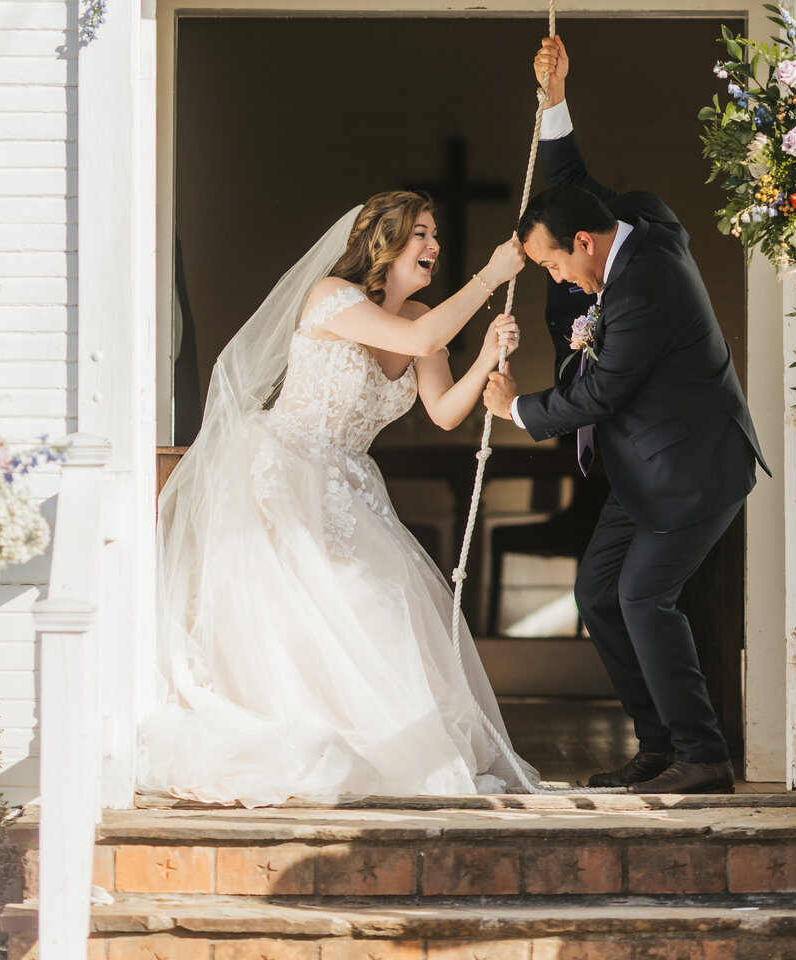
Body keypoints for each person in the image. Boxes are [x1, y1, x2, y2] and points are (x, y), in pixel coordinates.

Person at [139, 192, 539, 803]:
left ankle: (376, 741)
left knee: (372, 607)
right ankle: (302, 730)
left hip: (348, 483)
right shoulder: (332, 297)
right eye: (421, 235)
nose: (434, 246)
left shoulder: (422, 319)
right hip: (282, 468)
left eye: (435, 236)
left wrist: (486, 355)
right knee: (300, 607)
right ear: (386, 241)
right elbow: (426, 341)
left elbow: (444, 413)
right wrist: (490, 275)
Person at [484, 36, 769, 795]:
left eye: (552, 266)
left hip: (695, 472)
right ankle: (658, 744)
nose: (557, 281)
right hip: (646, 470)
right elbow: (572, 186)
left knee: (644, 595)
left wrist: (518, 409)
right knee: (599, 595)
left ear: (585, 244)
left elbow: (599, 393)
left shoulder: (647, 288)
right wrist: (554, 99)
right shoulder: (632, 219)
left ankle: (703, 757)